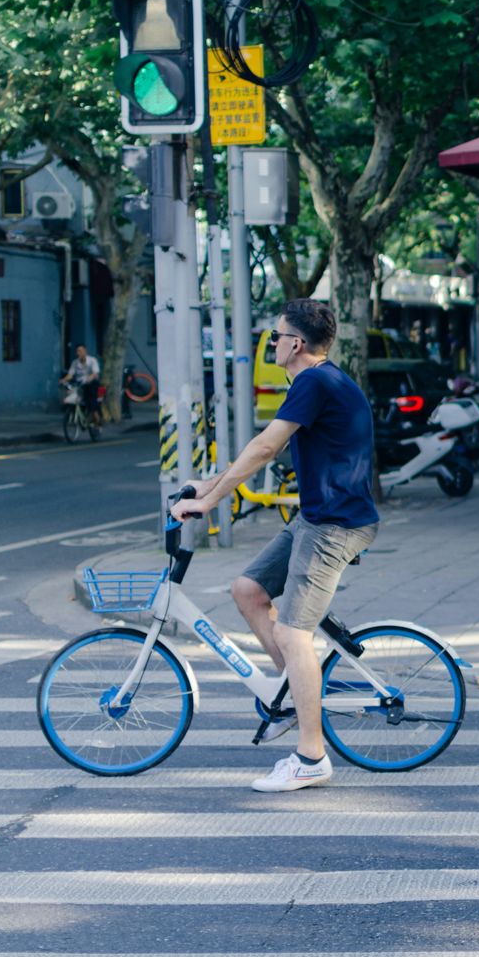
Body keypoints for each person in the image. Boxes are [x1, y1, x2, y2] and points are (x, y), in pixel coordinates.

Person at [172, 298, 379, 793]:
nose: (272, 343)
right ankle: (296, 694)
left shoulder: (314, 381)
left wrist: (212, 501)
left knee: (292, 633)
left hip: (335, 526)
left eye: (275, 336)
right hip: (316, 518)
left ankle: (311, 757)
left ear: (297, 343)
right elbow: (267, 446)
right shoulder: (318, 381)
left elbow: (265, 446)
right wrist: (210, 485)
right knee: (247, 590)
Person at [60, 345, 100, 421]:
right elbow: (70, 375)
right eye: (77, 351)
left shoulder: (92, 360)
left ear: (85, 351)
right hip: (80, 384)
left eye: (80, 351)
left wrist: (89, 379)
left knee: (91, 400)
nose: (78, 353)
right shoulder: (75, 363)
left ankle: (96, 419)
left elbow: (95, 373)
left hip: (91, 383)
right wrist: (63, 380)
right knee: (71, 396)